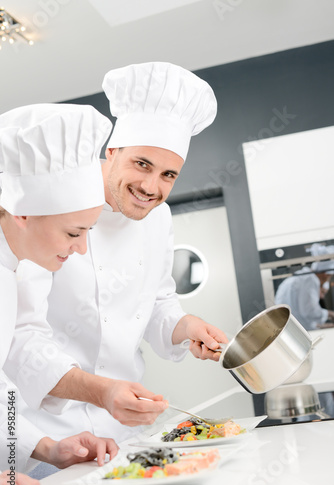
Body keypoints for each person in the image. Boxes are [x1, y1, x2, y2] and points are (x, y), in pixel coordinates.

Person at [4, 62, 228, 447]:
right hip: (47, 429)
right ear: (112, 150)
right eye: (142, 164)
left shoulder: (159, 219)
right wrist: (99, 392)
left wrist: (185, 326)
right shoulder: (54, 208)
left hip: (125, 425)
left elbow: (157, 300)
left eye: (168, 175)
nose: (150, 187)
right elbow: (20, 334)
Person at [0, 103, 119, 485]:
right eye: (73, 233)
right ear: (22, 216)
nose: (81, 249)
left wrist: (49, 448)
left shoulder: (16, 269)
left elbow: (3, 393)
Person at [275, 243, 334, 330]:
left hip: (289, 328)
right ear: (326, 274)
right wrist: (330, 314)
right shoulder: (310, 280)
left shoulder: (302, 277)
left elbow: (303, 318)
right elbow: (310, 312)